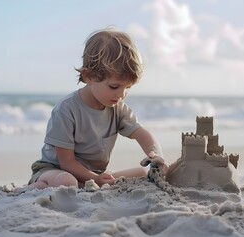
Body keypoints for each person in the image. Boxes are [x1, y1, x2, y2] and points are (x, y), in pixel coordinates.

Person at [27, 28, 166, 189]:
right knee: (67, 181)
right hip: (55, 171)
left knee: (142, 172)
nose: (121, 94)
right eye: (114, 86)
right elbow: (66, 162)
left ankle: (90, 182)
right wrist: (96, 179)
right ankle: (34, 186)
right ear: (89, 76)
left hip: (94, 175)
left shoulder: (118, 108)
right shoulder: (66, 109)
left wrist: (156, 156)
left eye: (127, 87)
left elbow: (141, 133)